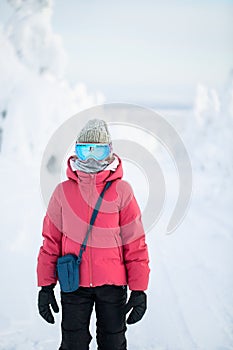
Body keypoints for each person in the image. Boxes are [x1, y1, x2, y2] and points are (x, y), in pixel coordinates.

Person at [37, 118, 150, 350]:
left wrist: (139, 289)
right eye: (84, 149)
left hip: (112, 286)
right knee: (73, 343)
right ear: (76, 151)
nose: (90, 157)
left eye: (97, 150)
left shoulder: (122, 191)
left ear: (109, 152)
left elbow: (135, 242)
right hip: (74, 285)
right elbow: (50, 242)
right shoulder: (63, 192)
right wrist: (46, 286)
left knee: (112, 342)